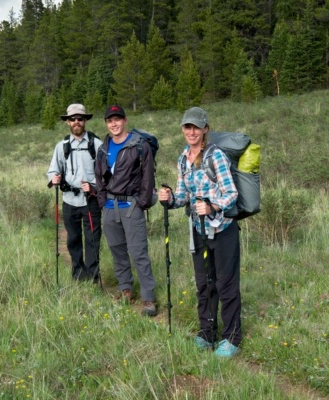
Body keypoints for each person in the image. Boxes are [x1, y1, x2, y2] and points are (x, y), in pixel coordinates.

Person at [158, 107, 241, 358]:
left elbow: (231, 194)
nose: (191, 131)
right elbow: (184, 195)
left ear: (205, 128)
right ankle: (207, 332)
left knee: (226, 284)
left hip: (223, 229)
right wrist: (170, 198)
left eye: (196, 127)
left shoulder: (216, 157)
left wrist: (212, 206)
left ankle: (232, 337)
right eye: (187, 127)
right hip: (198, 229)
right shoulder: (183, 158)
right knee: (204, 283)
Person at [95, 105, 157, 316]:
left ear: (125, 120)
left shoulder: (139, 145)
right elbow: (99, 179)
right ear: (106, 123)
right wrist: (103, 203)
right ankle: (126, 289)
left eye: (117, 119)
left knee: (139, 252)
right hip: (110, 208)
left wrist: (141, 203)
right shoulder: (103, 148)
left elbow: (148, 178)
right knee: (117, 251)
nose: (114, 124)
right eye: (110, 120)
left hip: (132, 207)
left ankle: (148, 297)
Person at [47, 104, 102, 283]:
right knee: (73, 239)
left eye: (80, 118)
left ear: (85, 120)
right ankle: (78, 275)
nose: (76, 122)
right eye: (72, 119)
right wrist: (54, 178)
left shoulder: (97, 144)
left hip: (90, 200)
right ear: (67, 122)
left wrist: (93, 187)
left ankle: (93, 277)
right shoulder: (61, 146)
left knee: (93, 239)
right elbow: (53, 170)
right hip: (69, 200)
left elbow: (106, 174)